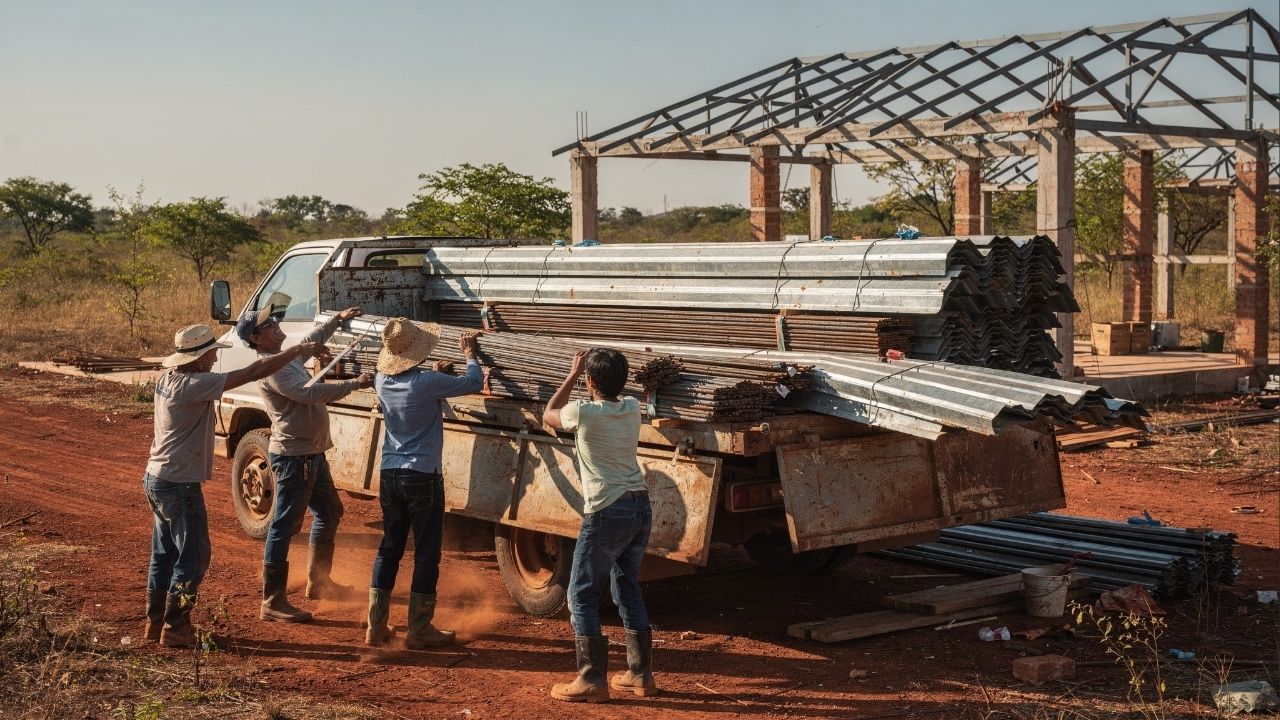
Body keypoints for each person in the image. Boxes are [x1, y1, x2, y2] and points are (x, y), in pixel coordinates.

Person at [144, 323, 326, 648]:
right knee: (195, 556)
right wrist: (296, 351)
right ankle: (176, 626)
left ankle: (156, 622)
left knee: (165, 553)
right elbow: (253, 371)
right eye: (211, 354)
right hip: (179, 483)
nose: (215, 358)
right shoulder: (195, 384)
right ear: (197, 358)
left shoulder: (167, 379)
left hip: (157, 477)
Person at [237, 305, 373, 623]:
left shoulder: (284, 358)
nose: (275, 324)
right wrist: (355, 383)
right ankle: (272, 600)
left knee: (329, 512)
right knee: (283, 526)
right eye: (268, 324)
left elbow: (309, 342)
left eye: (273, 320)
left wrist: (336, 320)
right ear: (256, 338)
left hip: (310, 453)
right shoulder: (272, 368)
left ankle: (319, 582)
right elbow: (310, 394)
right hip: (295, 457)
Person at [543, 348, 657, 702]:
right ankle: (641, 675)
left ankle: (591, 679)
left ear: (590, 381)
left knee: (581, 594)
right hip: (639, 505)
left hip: (607, 510)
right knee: (627, 587)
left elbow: (548, 414)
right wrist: (587, 376)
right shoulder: (633, 407)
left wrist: (572, 374)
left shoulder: (583, 412)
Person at [365, 319, 484, 649]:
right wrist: (469, 353)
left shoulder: (381, 380)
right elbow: (474, 382)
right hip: (422, 475)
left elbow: (414, 386)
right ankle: (419, 628)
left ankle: (376, 626)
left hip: (390, 473)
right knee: (426, 552)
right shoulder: (427, 383)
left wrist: (435, 373)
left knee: (390, 548)